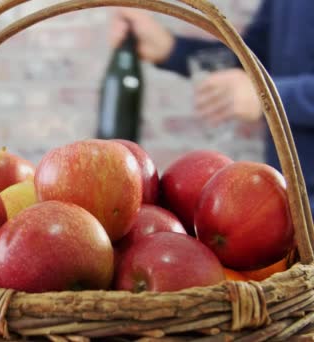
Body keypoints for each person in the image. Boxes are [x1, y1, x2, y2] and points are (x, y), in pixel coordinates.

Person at [110, 1, 314, 214]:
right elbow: (252, 57)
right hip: (293, 199)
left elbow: (260, 84)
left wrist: (270, 95)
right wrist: (170, 47)